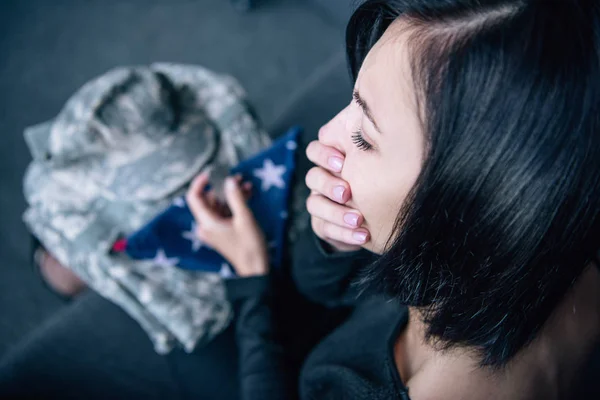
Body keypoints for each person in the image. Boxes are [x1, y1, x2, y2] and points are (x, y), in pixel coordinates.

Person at [2, 0, 600, 398]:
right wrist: (338, 239)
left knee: (126, 294)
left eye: (363, 135)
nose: (326, 137)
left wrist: (250, 279)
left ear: (472, 202)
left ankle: (65, 265)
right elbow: (340, 289)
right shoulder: (535, 241)